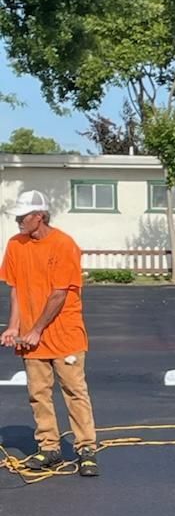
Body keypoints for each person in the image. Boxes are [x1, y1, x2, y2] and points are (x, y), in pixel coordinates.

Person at [0, 190, 99, 476]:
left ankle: (86, 449)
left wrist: (36, 330)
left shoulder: (64, 245)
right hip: (31, 337)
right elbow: (16, 289)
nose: (18, 221)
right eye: (17, 216)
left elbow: (58, 294)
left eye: (23, 216)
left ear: (39, 216)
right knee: (38, 393)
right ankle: (49, 447)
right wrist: (14, 327)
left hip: (65, 334)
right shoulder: (16, 245)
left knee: (74, 391)